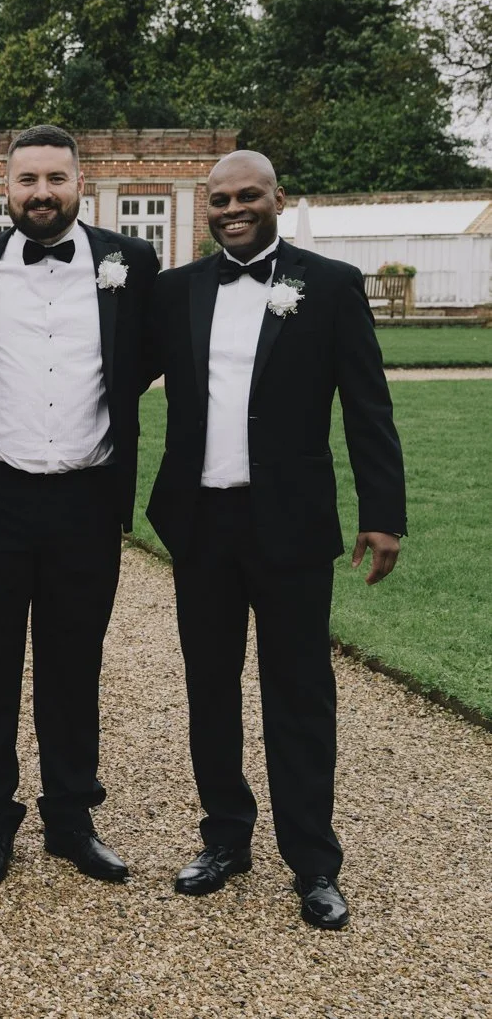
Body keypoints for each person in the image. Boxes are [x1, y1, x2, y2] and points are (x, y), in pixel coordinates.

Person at [143, 150, 404, 930]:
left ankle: (314, 863)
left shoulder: (326, 285)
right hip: (199, 523)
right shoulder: (174, 291)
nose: (232, 208)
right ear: (206, 207)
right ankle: (224, 840)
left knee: (297, 695)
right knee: (208, 689)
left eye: (247, 195)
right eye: (219, 198)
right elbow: (116, 381)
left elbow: (367, 405)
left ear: (276, 199)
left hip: (288, 523)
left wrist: (382, 513)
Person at [0, 125, 157, 886]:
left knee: (74, 661)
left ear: (79, 184)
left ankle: (71, 817)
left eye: (54, 179)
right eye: (26, 179)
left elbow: (149, 355)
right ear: (4, 187)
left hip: (84, 497)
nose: (41, 193)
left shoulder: (129, 262)